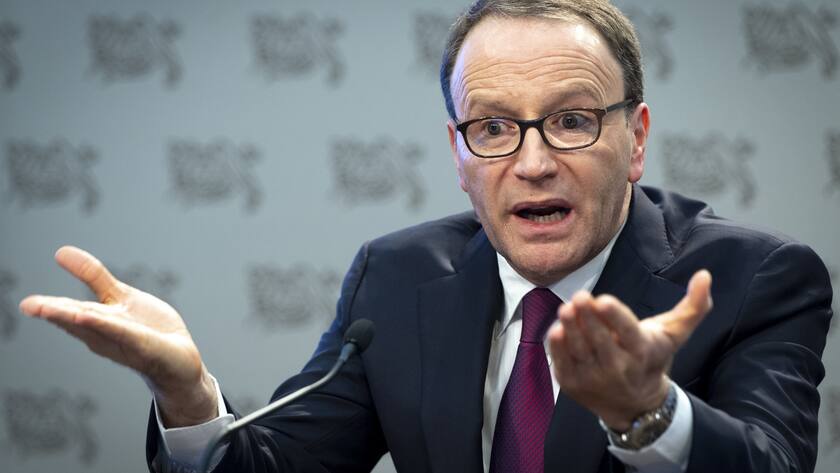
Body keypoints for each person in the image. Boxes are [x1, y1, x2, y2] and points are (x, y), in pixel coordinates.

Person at [19, 1, 833, 472]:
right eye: (492, 128)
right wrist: (189, 393)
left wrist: (648, 413)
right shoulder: (398, 278)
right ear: (458, 153)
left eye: (574, 121)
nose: (534, 162)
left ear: (638, 137)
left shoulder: (756, 277)